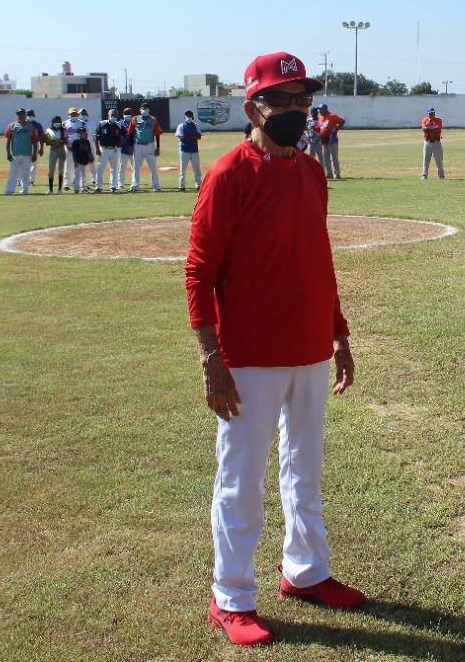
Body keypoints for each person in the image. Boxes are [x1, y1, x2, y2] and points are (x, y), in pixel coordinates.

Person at [185, 51, 364, 647]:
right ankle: (231, 595)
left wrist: (338, 333)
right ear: (252, 107)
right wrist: (212, 358)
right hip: (249, 356)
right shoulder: (230, 173)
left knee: (304, 469)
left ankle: (306, 571)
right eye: (281, 100)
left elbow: (319, 258)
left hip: (310, 346)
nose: (294, 110)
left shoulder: (311, 172)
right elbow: (199, 271)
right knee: (241, 476)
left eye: (302, 99)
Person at [3, 108, 39, 195]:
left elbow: (34, 141)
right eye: (19, 114)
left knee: (26, 173)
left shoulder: (31, 127)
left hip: (27, 154)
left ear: (25, 115)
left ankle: (25, 190)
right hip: (15, 154)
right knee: (13, 173)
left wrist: (34, 154)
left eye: (22, 114)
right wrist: (8, 153)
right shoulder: (12, 126)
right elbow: (8, 140)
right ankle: (9, 190)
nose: (21, 116)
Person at [128, 103, 163, 192]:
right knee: (136, 167)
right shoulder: (135, 119)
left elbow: (157, 134)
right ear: (140, 109)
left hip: (149, 145)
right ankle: (134, 185)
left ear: (149, 110)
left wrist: (157, 147)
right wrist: (131, 146)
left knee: (153, 167)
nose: (145, 110)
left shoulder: (153, 119)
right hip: (138, 145)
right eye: (143, 108)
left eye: (147, 108)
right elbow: (131, 133)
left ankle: (156, 186)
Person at [94, 108, 124, 192]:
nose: (113, 117)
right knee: (100, 168)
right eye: (112, 115)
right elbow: (96, 137)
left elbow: (124, 135)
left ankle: (113, 186)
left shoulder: (118, 125)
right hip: (104, 149)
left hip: (114, 149)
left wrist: (120, 144)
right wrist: (97, 148)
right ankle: (98, 187)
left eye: (115, 115)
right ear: (108, 115)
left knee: (114, 168)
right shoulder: (102, 124)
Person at [176, 110, 204, 191]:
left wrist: (188, 137)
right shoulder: (181, 126)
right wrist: (193, 137)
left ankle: (198, 185)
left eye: (190, 116)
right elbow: (181, 138)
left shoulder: (196, 126)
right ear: (184, 117)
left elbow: (199, 137)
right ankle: (181, 186)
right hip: (184, 150)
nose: (189, 117)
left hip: (194, 150)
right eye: (187, 116)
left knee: (197, 169)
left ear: (193, 117)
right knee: (183, 169)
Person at [316, 104, 346, 178]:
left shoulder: (332, 116)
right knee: (325, 158)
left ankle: (337, 174)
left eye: (321, 109)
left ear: (325, 109)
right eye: (319, 109)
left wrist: (336, 129)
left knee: (334, 157)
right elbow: (320, 128)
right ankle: (329, 174)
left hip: (332, 140)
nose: (319, 111)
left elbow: (342, 121)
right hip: (323, 141)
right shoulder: (320, 119)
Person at [42, 116, 67, 194]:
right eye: (55, 122)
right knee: (51, 169)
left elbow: (66, 140)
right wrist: (53, 143)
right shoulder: (49, 130)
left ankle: (59, 189)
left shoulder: (63, 130)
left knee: (61, 170)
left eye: (59, 122)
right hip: (53, 150)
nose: (57, 123)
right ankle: (50, 189)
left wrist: (59, 143)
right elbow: (47, 141)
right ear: (52, 123)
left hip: (61, 149)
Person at [420, 107, 445, 180]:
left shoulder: (438, 120)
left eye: (433, 113)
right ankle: (424, 175)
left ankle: (441, 176)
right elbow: (423, 129)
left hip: (436, 142)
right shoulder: (425, 120)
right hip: (427, 142)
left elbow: (438, 129)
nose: (432, 114)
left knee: (439, 160)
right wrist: (429, 128)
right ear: (428, 113)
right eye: (430, 113)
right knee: (426, 160)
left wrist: (429, 128)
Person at [69, 127, 95, 192]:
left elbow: (89, 151)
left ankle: (83, 188)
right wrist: (75, 161)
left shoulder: (87, 142)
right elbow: (74, 152)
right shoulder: (76, 142)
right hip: (78, 160)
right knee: (77, 174)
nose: (82, 134)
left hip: (84, 160)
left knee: (83, 174)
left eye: (83, 133)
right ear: (78, 134)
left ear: (86, 134)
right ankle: (76, 188)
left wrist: (91, 157)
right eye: (80, 133)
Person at [25, 108, 44, 185]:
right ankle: (19, 180)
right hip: (24, 145)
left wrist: (42, 148)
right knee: (22, 162)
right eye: (28, 115)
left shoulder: (38, 125)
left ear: (34, 116)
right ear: (25, 116)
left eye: (31, 115)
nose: (30, 116)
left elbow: (41, 136)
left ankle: (31, 180)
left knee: (34, 163)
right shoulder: (22, 124)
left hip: (35, 144)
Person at [118, 107, 137, 189]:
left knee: (135, 167)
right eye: (126, 114)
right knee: (122, 167)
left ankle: (134, 184)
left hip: (134, 149)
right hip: (123, 148)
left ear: (132, 115)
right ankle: (120, 184)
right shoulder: (119, 123)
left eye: (129, 113)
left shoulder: (135, 123)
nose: (127, 115)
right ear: (123, 114)